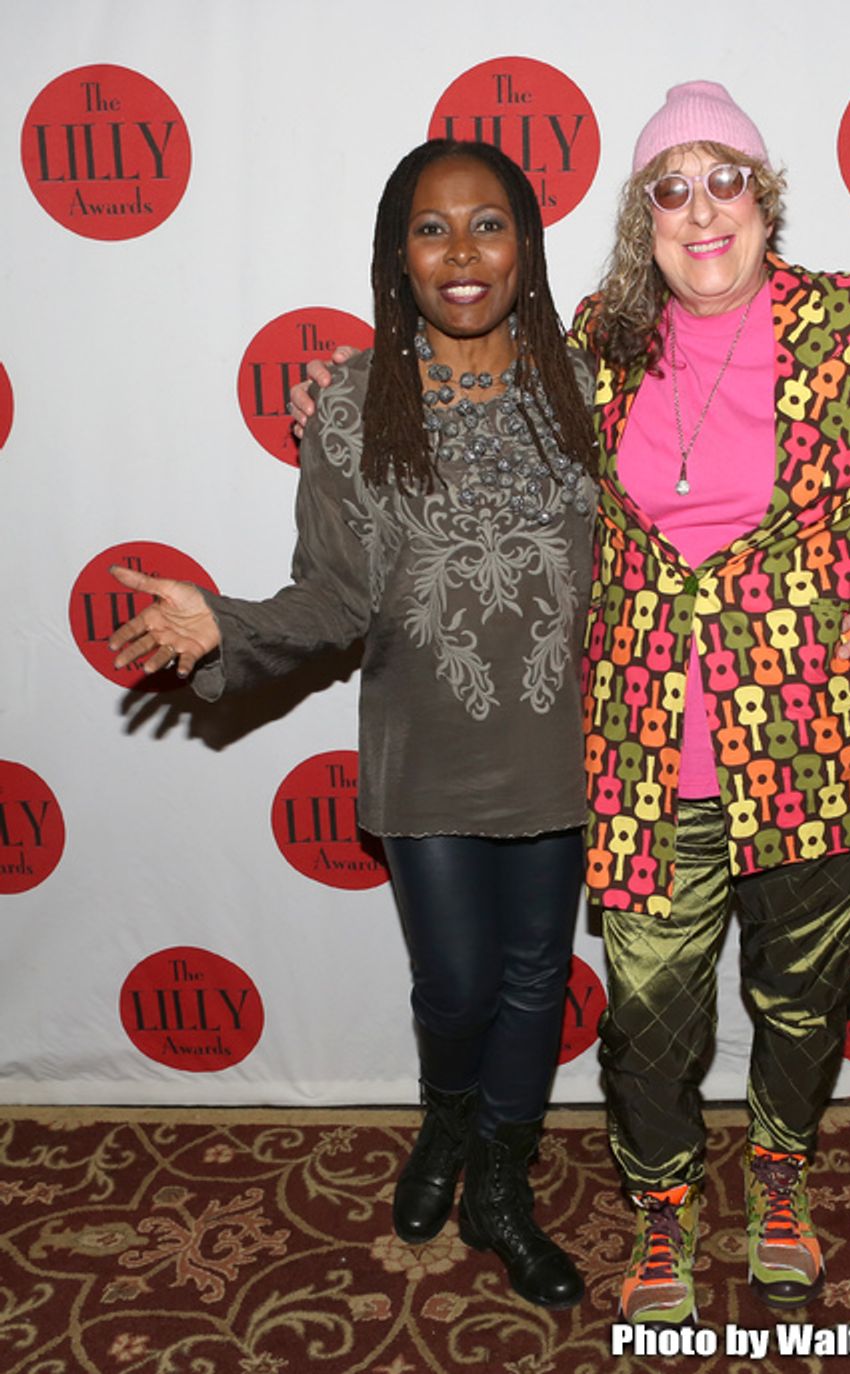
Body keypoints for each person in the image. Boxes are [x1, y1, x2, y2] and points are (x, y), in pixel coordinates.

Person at [292, 82, 850, 1327]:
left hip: (825, 739)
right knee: (649, 1009)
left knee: (801, 998)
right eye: (671, 188)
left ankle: (780, 1181)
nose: (701, 210)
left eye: (726, 180)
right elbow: (464, 365)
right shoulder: (599, 340)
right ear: (641, 217)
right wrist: (350, 378)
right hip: (644, 740)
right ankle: (664, 1201)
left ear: (767, 198)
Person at [107, 139, 598, 1311]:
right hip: (426, 756)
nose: (462, 251)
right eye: (432, 228)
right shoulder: (351, 406)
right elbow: (335, 595)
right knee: (458, 986)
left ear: (527, 248)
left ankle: (499, 1184)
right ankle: (445, 1122)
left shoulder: (595, 389)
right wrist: (226, 626)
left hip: (561, 749)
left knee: (538, 978)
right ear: (397, 256)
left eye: (488, 224)